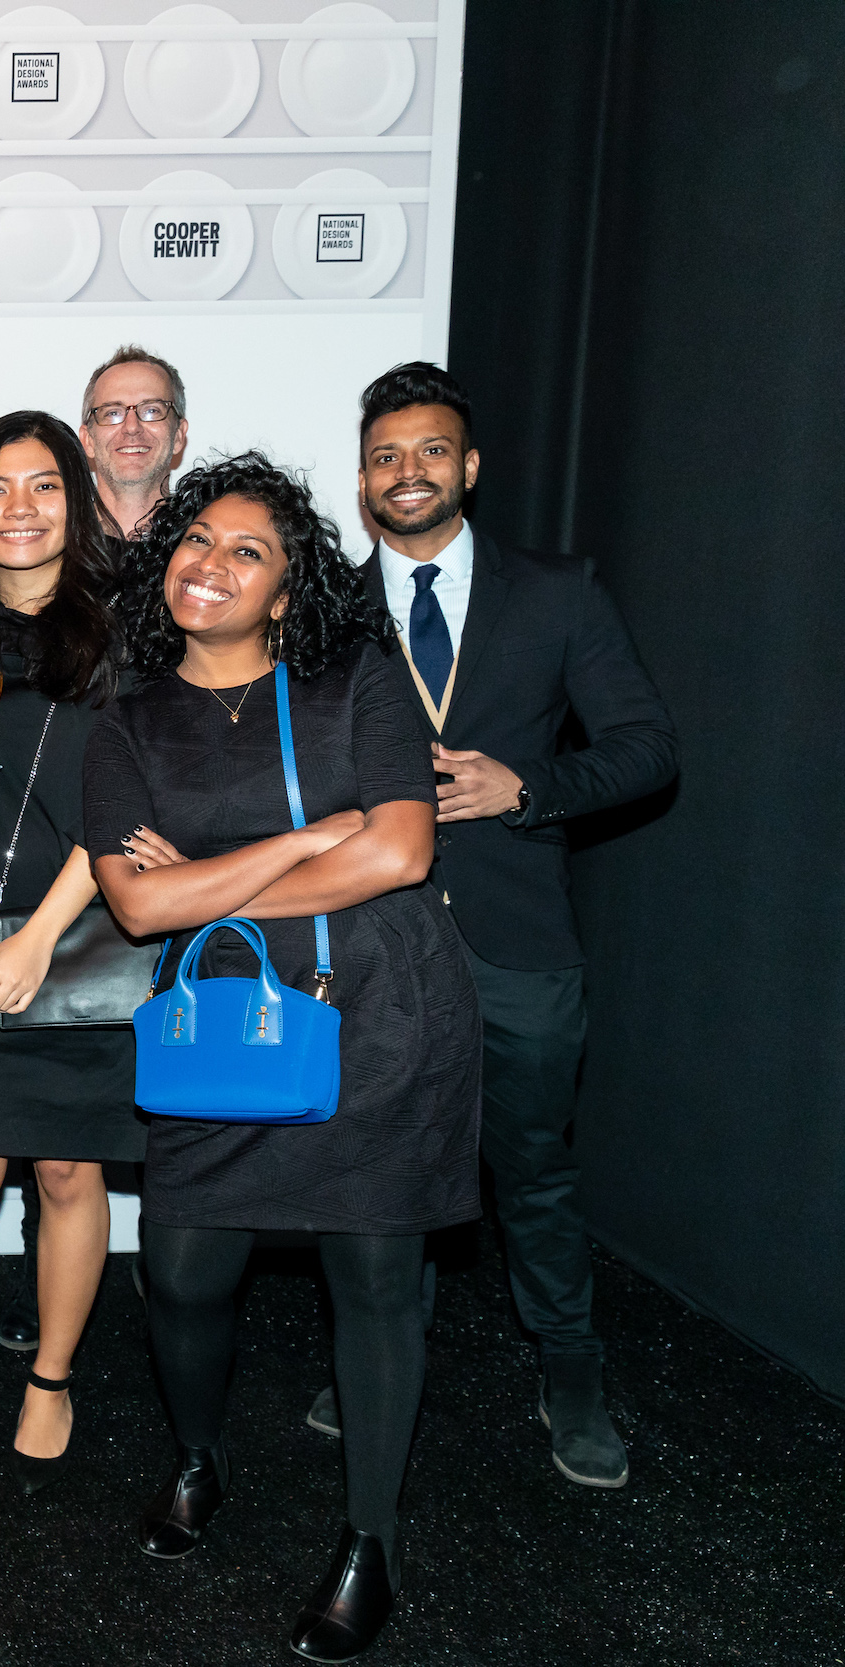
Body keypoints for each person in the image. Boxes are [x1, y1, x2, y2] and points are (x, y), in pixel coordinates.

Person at [87, 453, 482, 1663]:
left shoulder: (354, 675)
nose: (212, 562)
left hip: (382, 1014)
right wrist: (309, 835)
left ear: (286, 584)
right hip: (221, 1031)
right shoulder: (123, 714)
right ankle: (200, 1460)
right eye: (197, 540)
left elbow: (402, 853)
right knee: (185, 1274)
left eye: (247, 550)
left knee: (373, 1284)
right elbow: (138, 909)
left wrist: (214, 883)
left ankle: (372, 1538)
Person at [305, 362, 674, 1488]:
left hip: (518, 937)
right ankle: (376, 1352)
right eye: (382, 456)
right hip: (373, 939)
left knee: (533, 1171)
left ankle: (570, 1372)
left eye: (426, 452)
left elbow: (646, 746)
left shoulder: (559, 592)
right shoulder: (323, 608)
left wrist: (529, 788)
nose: (404, 472)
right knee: (378, 1168)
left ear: (467, 466)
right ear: (360, 478)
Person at [0, 412, 141, 1487]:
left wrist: (44, 934)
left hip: (81, 933)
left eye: (42, 486)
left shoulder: (121, 638)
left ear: (74, 503)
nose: (19, 508)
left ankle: (49, 1376)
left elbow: (129, 812)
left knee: (63, 1166)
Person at [78, 345, 190, 538]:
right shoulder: (53, 546)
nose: (132, 427)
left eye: (151, 411)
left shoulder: (205, 550)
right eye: (112, 413)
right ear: (88, 440)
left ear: (179, 435)